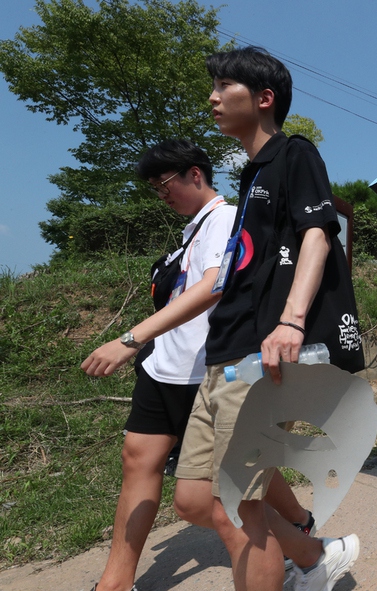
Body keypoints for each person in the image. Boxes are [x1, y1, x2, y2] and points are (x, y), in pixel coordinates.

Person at [172, 47, 365, 591]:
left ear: (263, 99)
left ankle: (302, 564)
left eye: (223, 87)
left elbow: (318, 236)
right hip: (222, 356)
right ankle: (311, 555)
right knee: (192, 499)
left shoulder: (293, 155)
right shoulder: (251, 174)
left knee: (241, 510)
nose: (212, 97)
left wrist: (292, 321)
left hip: (256, 354)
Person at [81, 140, 236, 591]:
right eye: (154, 187)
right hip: (165, 367)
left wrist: (132, 337)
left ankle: (303, 545)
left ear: (194, 174)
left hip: (204, 372)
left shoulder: (224, 218)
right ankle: (115, 581)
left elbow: (214, 285)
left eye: (163, 183)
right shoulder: (192, 230)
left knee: (221, 489)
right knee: (138, 460)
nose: (161, 194)